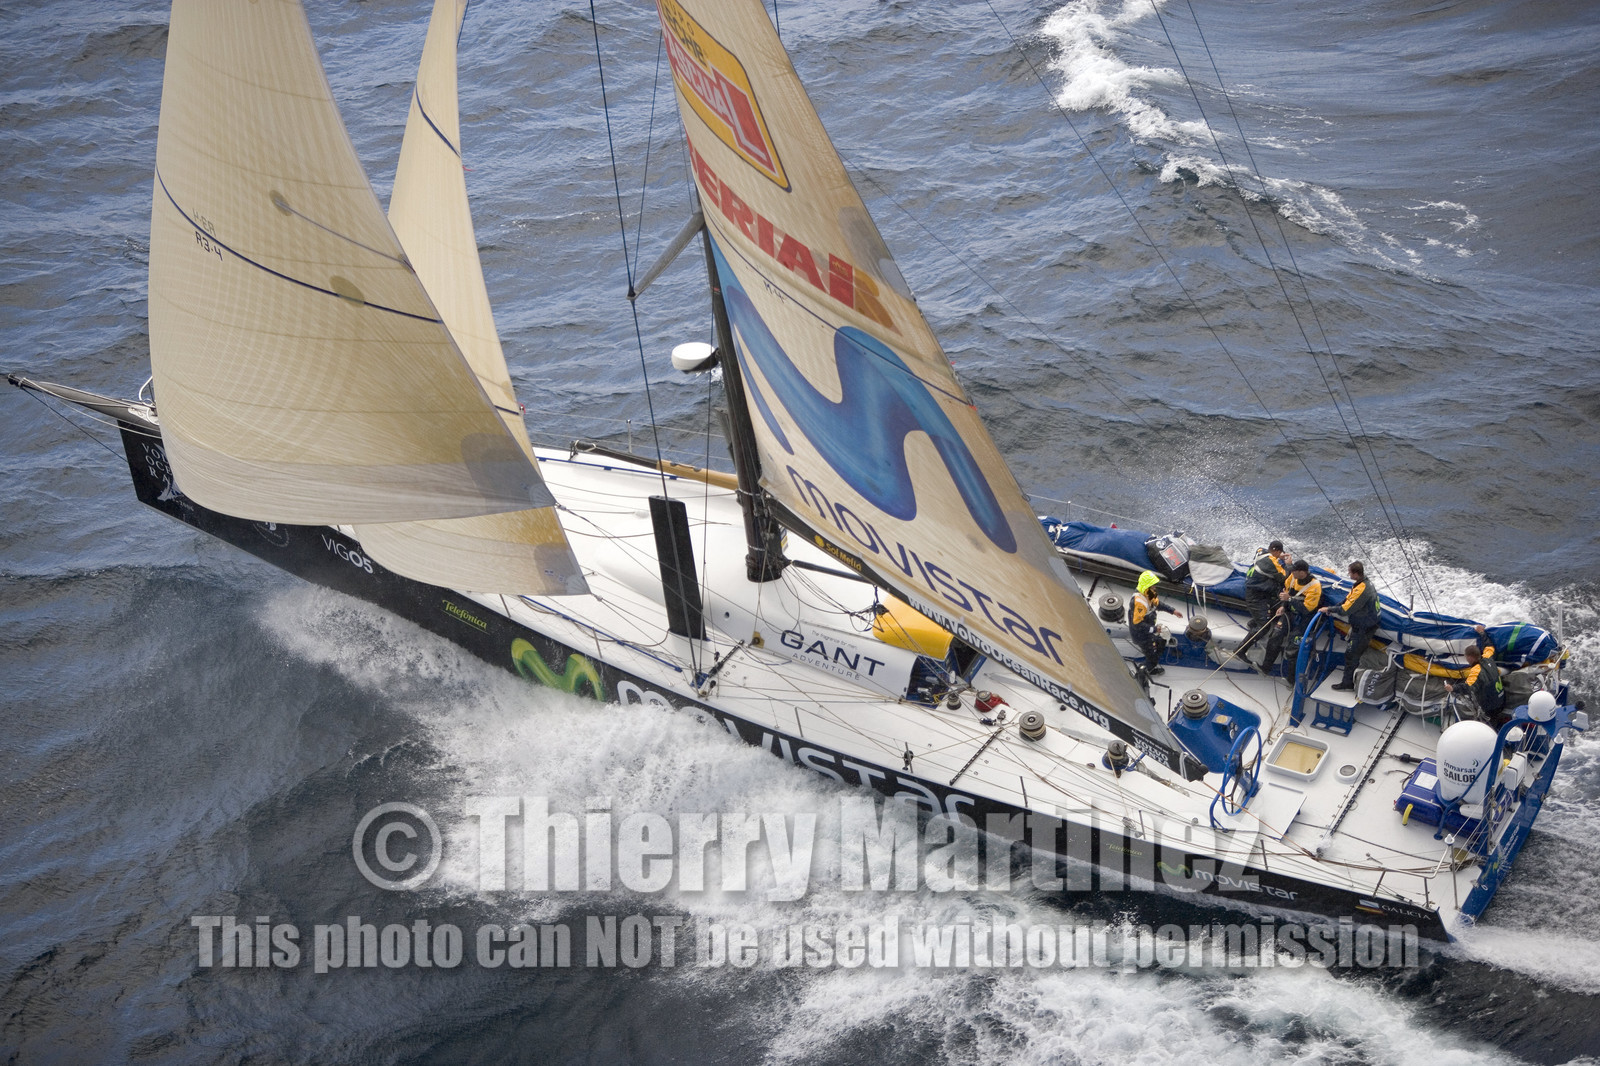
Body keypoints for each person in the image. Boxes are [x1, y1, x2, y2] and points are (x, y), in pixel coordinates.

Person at [1320, 560, 1380, 691]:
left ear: (1356, 574)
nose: (1349, 575)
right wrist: (1334, 607)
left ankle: (1348, 684)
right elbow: (1348, 599)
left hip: (1363, 629)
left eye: (1350, 573)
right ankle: (1351, 680)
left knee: (1351, 655)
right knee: (1353, 654)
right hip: (1366, 624)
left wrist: (1328, 609)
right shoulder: (1363, 583)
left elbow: (1345, 610)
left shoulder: (1362, 589)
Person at [1129, 570, 1180, 676]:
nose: (1155, 588)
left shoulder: (1148, 593)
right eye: (1153, 586)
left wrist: (1172, 611)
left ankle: (1150, 664)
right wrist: (1155, 629)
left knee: (1160, 643)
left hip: (1148, 631)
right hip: (1141, 635)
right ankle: (1143, 673)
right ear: (1147, 586)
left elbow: (1158, 604)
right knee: (1152, 659)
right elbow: (1137, 625)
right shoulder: (1139, 602)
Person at [1446, 636, 1506, 723]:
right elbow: (1490, 646)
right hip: (1502, 701)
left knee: (1490, 723)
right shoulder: (1488, 658)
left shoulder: (1476, 671)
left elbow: (1468, 687)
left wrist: (1452, 688)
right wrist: (1482, 633)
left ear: (1470, 658)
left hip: (1491, 708)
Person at [1243, 540, 1292, 647]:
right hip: (1255, 596)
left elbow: (1265, 553)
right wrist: (1288, 565)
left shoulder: (1260, 551)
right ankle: (1240, 650)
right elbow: (1284, 577)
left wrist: (1278, 557)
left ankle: (1252, 623)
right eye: (1280, 553)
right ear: (1277, 551)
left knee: (1271, 608)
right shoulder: (1271, 562)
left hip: (1254, 588)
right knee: (1264, 627)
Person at [1280, 560, 1323, 644]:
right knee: (1277, 633)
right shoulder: (1292, 577)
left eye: (1294, 571)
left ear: (1302, 573)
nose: (1292, 572)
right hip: (1290, 613)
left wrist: (1290, 599)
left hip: (1305, 618)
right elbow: (1286, 592)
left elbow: (1306, 610)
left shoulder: (1314, 586)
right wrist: (1283, 606)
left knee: (1293, 640)